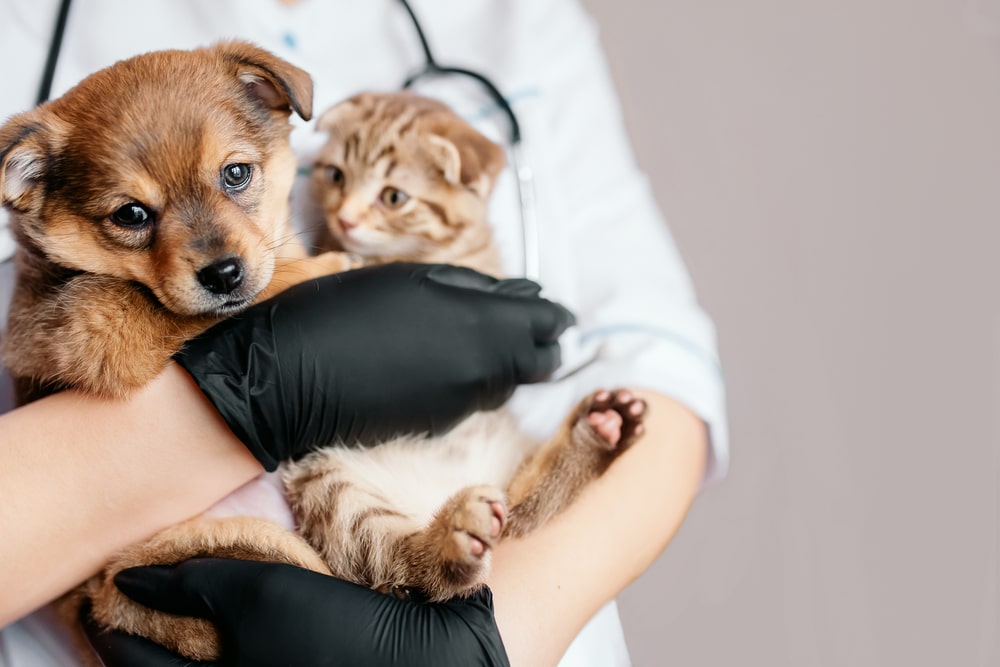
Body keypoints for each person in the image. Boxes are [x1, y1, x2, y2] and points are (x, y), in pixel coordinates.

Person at [0, 0, 729, 665]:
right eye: (133, 215)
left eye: (236, 176)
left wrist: (506, 633)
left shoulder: (519, 17)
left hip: (509, 568)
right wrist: (247, 393)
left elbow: (657, 360)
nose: (214, 253)